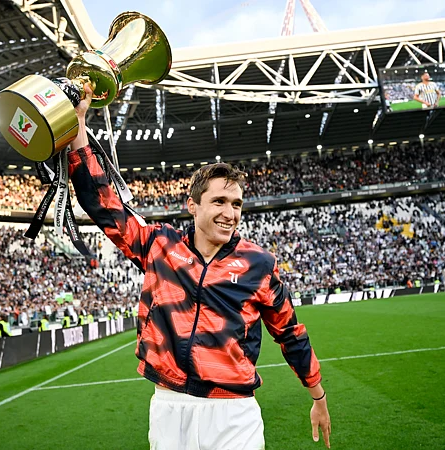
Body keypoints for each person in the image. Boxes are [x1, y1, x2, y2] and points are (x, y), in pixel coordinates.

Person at [67, 83, 331, 449]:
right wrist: (79, 124)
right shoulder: (160, 245)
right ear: (193, 206)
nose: (230, 213)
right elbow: (102, 204)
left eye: (236, 204)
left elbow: (290, 333)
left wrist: (318, 396)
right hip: (169, 405)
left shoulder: (259, 264)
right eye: (219, 201)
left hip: (234, 411)